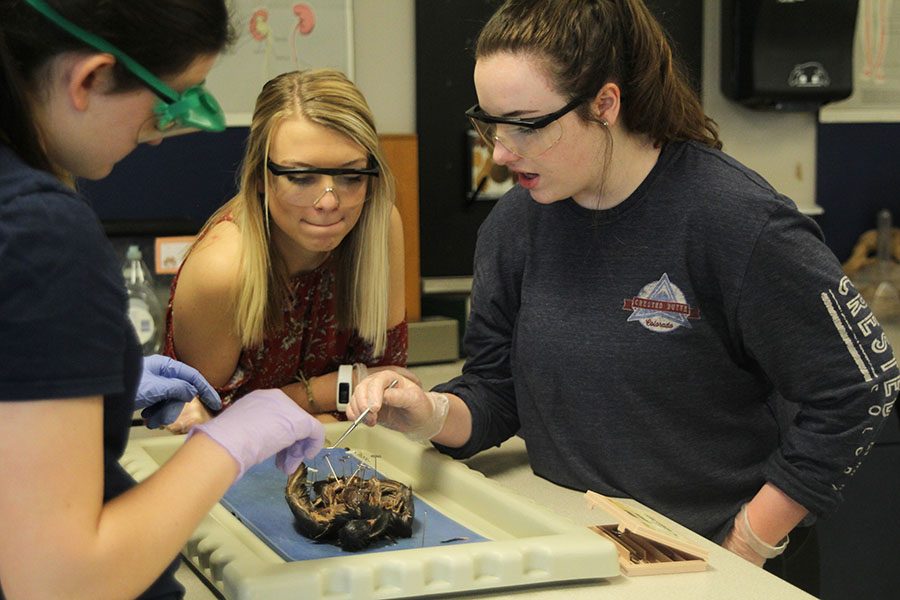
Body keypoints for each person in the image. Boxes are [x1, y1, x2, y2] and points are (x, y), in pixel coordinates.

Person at [348, 0, 899, 595]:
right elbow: (495, 392)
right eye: (490, 122)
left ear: (605, 104)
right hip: (575, 550)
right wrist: (429, 413)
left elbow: (862, 384)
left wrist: (748, 543)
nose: (501, 152)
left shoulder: (733, 220)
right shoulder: (515, 227)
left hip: (717, 564)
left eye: (526, 124)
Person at [0, 2, 325, 598]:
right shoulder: (38, 231)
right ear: (91, 78)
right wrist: (232, 441)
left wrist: (92, 386)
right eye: (171, 103)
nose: (157, 136)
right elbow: (61, 582)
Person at [160, 68, 413, 433]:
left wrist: (299, 405)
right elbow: (205, 424)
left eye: (350, 176)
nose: (329, 201)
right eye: (301, 177)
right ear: (261, 177)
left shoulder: (379, 224)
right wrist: (327, 392)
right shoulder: (223, 269)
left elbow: (386, 388)